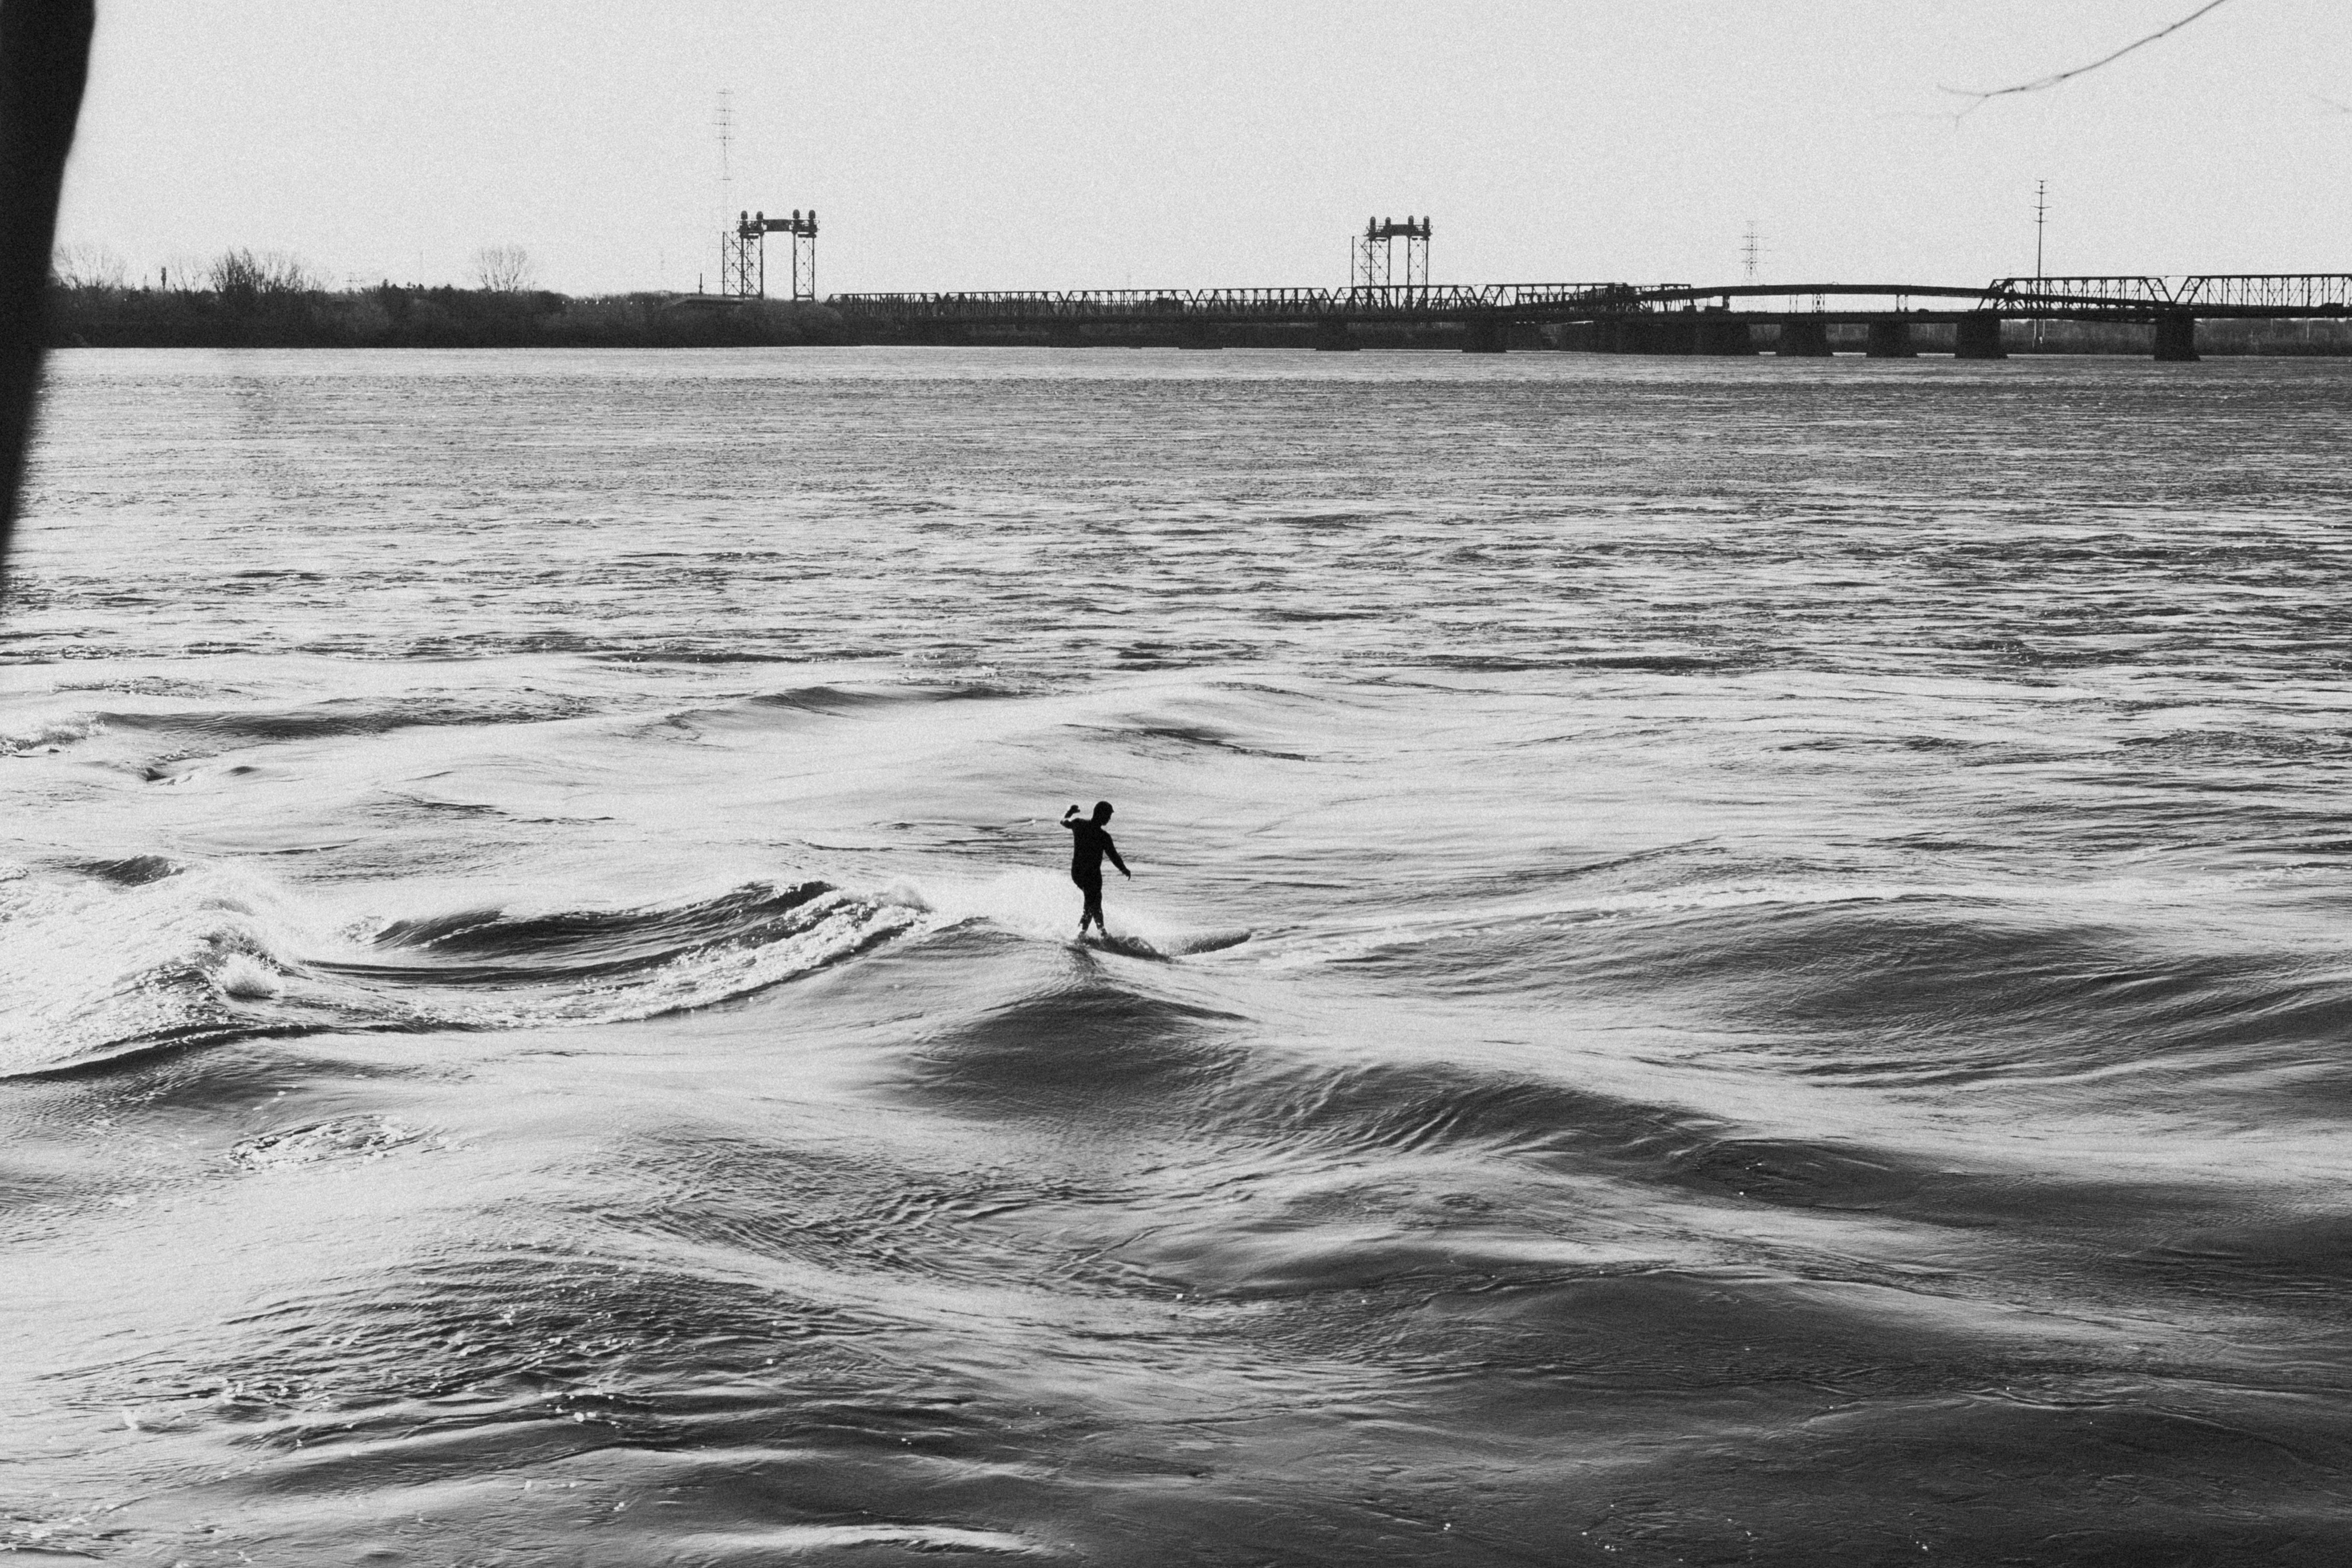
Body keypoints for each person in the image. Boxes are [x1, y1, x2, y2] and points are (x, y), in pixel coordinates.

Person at [1060, 800, 1130, 938]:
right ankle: (1080, 935)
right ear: (1100, 814)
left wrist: (1070, 812)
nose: (1109, 818)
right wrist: (1124, 870)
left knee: (1096, 901)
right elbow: (1114, 857)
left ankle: (1102, 932)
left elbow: (1063, 821)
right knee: (1091, 905)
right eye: (1108, 815)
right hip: (1091, 875)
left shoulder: (1079, 824)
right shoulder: (1103, 837)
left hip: (1077, 872)